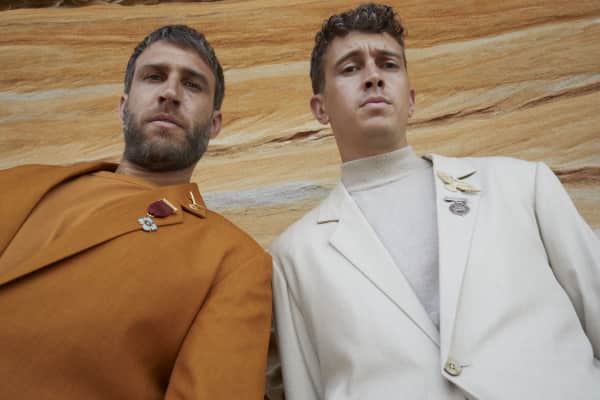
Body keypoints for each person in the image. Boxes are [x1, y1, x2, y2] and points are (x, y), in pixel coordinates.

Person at [270, 4, 600, 399]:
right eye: (350, 68)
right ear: (320, 108)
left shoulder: (521, 185)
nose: (373, 76)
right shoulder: (293, 257)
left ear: (411, 99)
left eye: (388, 64)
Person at [0, 25, 271, 399]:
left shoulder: (234, 262)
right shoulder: (15, 181)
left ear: (214, 125)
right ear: (123, 106)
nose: (170, 93)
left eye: (192, 85)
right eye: (154, 76)